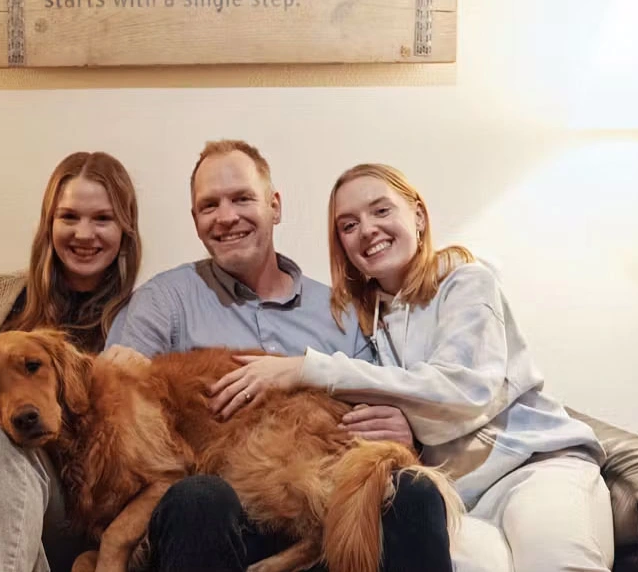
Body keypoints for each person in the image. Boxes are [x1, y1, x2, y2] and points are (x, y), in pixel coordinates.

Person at [209, 163, 613, 572]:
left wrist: (306, 369)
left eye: (381, 211)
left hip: (537, 466)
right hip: (461, 495)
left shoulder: (467, 281)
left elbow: (465, 390)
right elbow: (396, 410)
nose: (366, 229)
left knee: (553, 561)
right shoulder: (363, 326)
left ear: (418, 215)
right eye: (348, 225)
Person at [106, 140, 452, 572]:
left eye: (242, 198)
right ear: (195, 221)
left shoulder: (342, 310)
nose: (227, 216)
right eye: (209, 205)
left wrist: (404, 425)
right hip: (218, 520)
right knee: (198, 497)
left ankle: (323, 547)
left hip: (324, 500)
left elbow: (384, 401)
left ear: (275, 206)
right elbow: (113, 409)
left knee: (413, 491)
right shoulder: (165, 299)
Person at [0, 151, 143, 572]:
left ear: (125, 229)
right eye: (68, 217)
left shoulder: (146, 319)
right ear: (48, 224)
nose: (84, 233)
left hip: (82, 509)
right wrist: (0, 430)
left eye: (102, 218)